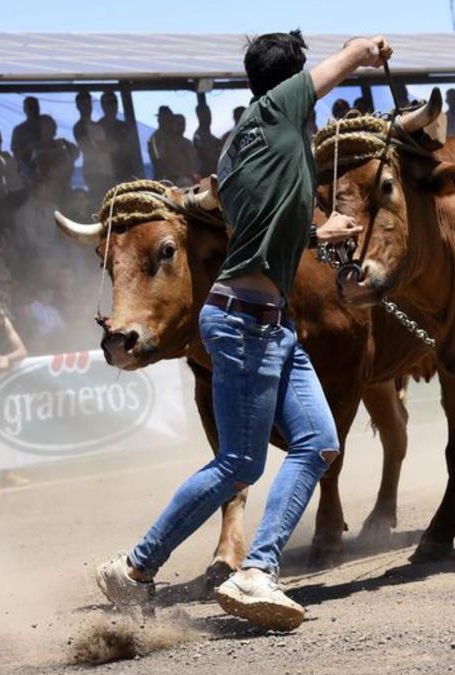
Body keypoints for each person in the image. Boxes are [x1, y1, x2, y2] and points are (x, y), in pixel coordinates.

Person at [93, 30, 392, 631]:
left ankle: (255, 571)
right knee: (239, 463)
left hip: (267, 325)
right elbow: (334, 71)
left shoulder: (241, 148)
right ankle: (133, 569)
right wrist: (364, 50)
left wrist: (314, 234)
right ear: (289, 84)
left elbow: (258, 223)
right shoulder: (280, 110)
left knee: (317, 443)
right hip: (244, 323)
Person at [73, 91, 113, 200]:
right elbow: (91, 147)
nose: (88, 107)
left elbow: (109, 146)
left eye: (89, 103)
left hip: (106, 169)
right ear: (78, 106)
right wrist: (106, 146)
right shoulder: (80, 126)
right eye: (84, 104)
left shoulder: (97, 125)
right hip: (93, 171)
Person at [11, 96, 42, 176]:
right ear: (24, 109)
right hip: (29, 173)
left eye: (36, 106)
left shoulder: (46, 125)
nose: (33, 109)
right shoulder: (19, 130)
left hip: (50, 172)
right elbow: (16, 156)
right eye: (30, 107)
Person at [193, 104, 223, 177]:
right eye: (204, 115)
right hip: (208, 175)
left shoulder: (213, 137)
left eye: (209, 114)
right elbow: (206, 156)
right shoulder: (198, 136)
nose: (208, 117)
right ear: (199, 117)